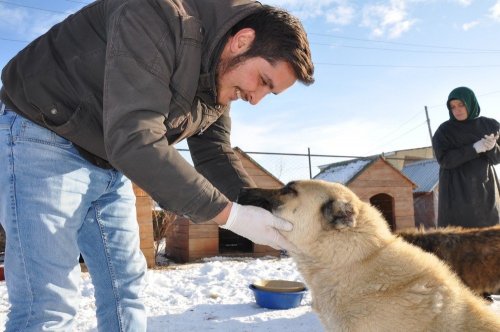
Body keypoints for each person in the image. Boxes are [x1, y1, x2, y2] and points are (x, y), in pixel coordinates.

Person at [0, 0, 314, 330]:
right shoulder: (156, 15)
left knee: (127, 288)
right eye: (263, 81)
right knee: (48, 303)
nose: (256, 98)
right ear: (242, 41)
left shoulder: (220, 77)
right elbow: (135, 138)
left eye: (271, 93)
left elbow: (214, 154)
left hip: (109, 159)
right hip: (43, 134)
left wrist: (260, 209)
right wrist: (232, 216)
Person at [432, 86, 500, 228]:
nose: (457, 110)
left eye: (461, 105)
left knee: (490, 237)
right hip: (456, 193)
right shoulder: (444, 131)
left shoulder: (490, 125)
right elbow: (444, 160)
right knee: (459, 240)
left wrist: (492, 148)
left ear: (470, 103)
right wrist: (474, 149)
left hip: (485, 189)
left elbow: (497, 159)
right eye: (453, 107)